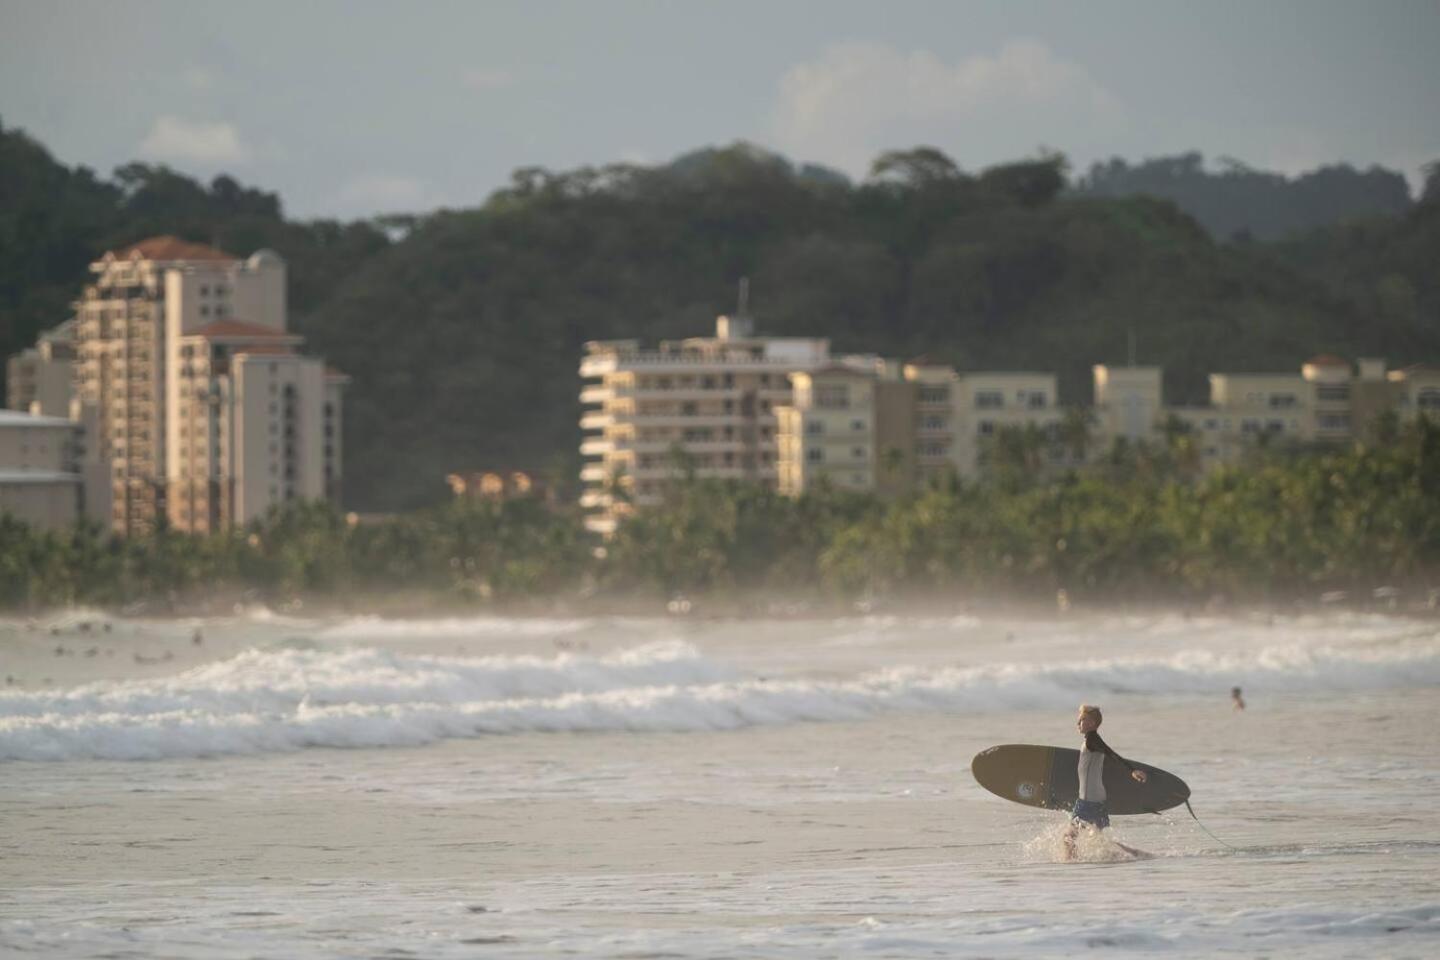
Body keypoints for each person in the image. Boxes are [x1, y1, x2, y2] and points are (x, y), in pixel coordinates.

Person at [1064, 704, 1146, 859]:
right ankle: (1134, 854)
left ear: (1092, 723)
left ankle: (1071, 866)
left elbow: (1111, 753)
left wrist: (1132, 770)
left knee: (1068, 838)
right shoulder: (1092, 740)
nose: (1078, 724)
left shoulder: (1092, 740)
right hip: (1098, 798)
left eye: (1082, 720)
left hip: (1088, 800)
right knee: (1100, 840)